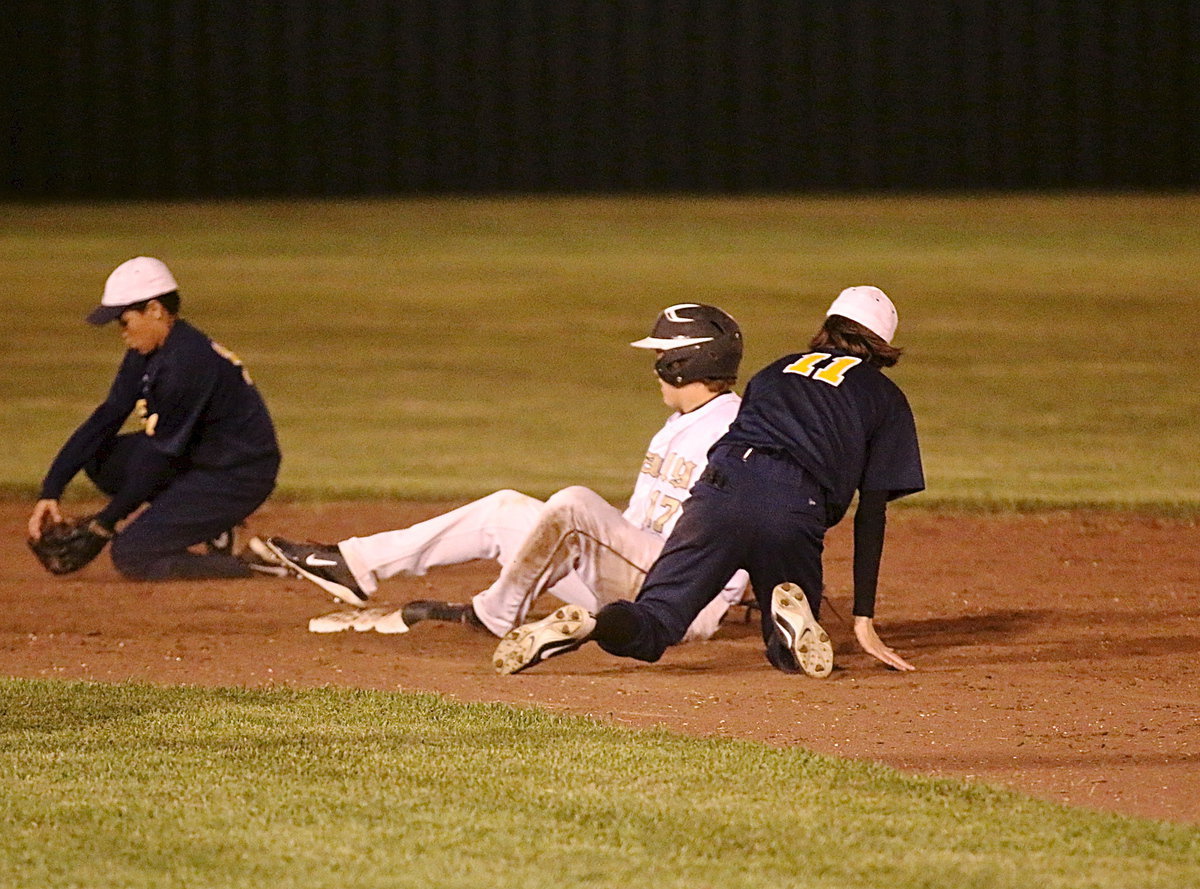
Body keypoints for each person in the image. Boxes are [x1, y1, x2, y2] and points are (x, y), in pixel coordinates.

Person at [493, 285, 924, 676]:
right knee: (790, 656)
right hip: (795, 505)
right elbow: (871, 513)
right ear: (881, 343)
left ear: (828, 327)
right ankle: (788, 621)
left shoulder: (775, 371)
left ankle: (593, 623)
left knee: (655, 621)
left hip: (721, 487)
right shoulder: (885, 398)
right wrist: (862, 619)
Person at [266, 303, 750, 642]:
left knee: (575, 503)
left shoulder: (735, 431)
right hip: (636, 583)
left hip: (680, 604)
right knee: (505, 511)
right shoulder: (682, 424)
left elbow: (757, 519)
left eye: (661, 357)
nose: (655, 367)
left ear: (689, 362)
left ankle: (495, 616)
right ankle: (356, 564)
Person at [26, 256, 282, 580]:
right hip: (202, 458)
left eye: (124, 321)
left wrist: (105, 523)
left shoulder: (186, 364)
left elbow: (159, 459)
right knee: (102, 458)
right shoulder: (151, 351)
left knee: (134, 555)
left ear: (155, 310)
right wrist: (51, 489)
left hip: (238, 474)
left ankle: (256, 562)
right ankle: (210, 524)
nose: (122, 332)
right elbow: (107, 417)